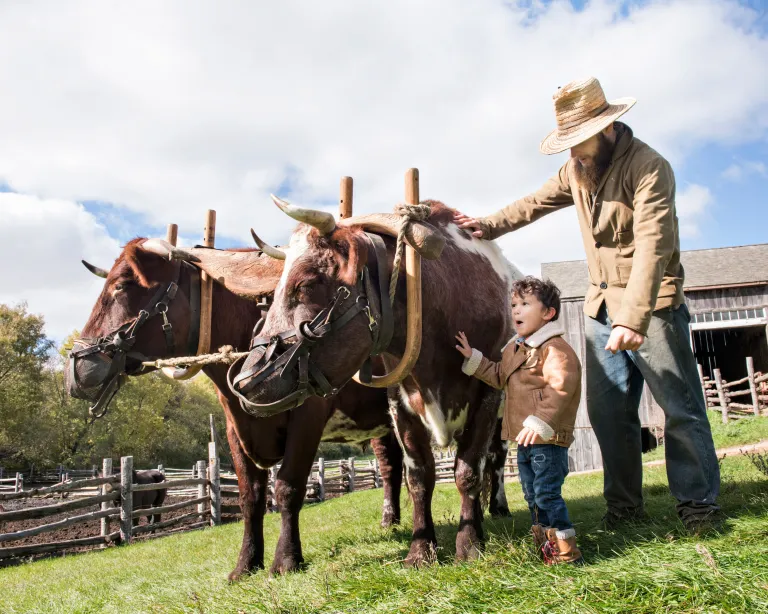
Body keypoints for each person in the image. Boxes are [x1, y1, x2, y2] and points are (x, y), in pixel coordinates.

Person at [453, 77, 720, 533]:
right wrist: (488, 225)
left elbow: (654, 246)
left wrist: (634, 318)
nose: (572, 152)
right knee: (608, 411)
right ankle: (624, 508)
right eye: (567, 145)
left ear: (607, 127)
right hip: (600, 308)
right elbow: (533, 203)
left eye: (579, 141)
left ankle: (697, 506)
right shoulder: (577, 170)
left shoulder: (650, 168)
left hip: (652, 304)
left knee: (680, 408)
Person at [456, 277, 583, 564]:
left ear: (548, 313)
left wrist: (538, 421)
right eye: (513, 304)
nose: (516, 310)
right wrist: (472, 358)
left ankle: (566, 553)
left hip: (547, 438)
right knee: (532, 495)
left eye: (525, 304)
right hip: (526, 439)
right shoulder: (517, 349)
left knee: (547, 494)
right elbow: (500, 376)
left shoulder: (554, 349)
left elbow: (561, 388)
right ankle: (546, 549)